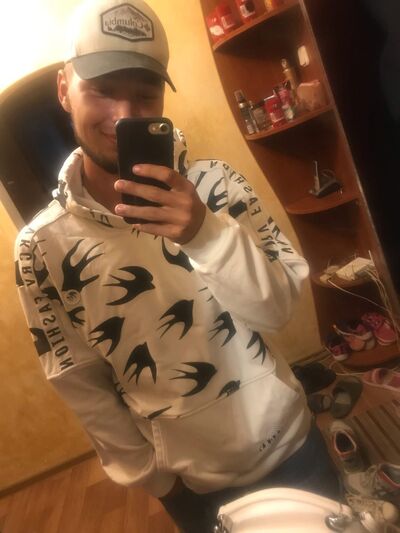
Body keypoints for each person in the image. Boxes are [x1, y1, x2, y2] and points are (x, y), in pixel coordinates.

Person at [15, 0, 340, 530]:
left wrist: (205, 233)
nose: (126, 115)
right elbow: (79, 381)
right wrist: (156, 480)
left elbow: (279, 310)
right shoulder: (40, 249)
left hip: (293, 445)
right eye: (103, 90)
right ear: (63, 88)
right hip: (191, 486)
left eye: (145, 95)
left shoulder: (219, 185)